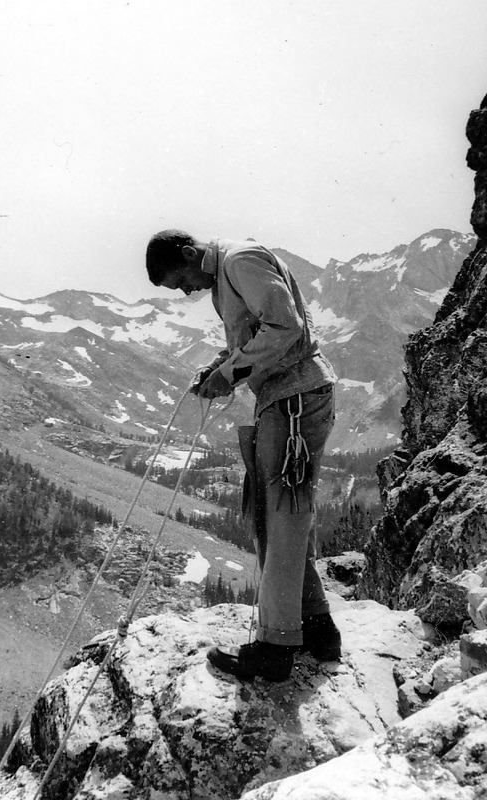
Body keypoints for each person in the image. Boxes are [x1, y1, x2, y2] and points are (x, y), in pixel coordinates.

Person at [145, 229, 342, 681]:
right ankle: (315, 626)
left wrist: (230, 372)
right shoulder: (229, 272)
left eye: (181, 281)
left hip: (294, 395)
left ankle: (276, 648)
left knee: (282, 513)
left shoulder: (239, 262)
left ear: (191, 254)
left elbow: (285, 328)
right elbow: (260, 334)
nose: (188, 291)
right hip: (286, 395)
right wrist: (222, 365)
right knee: (278, 513)